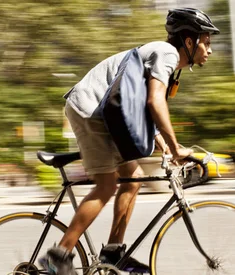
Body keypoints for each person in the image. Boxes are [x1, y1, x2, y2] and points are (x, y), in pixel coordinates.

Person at [38, 7, 220, 275]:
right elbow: (154, 101)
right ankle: (58, 256)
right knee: (107, 184)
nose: (210, 50)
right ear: (190, 42)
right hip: (89, 110)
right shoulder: (168, 53)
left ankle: (113, 254)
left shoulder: (167, 60)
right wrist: (175, 147)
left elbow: (141, 109)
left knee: (133, 178)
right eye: (207, 42)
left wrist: (163, 145)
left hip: (105, 114)